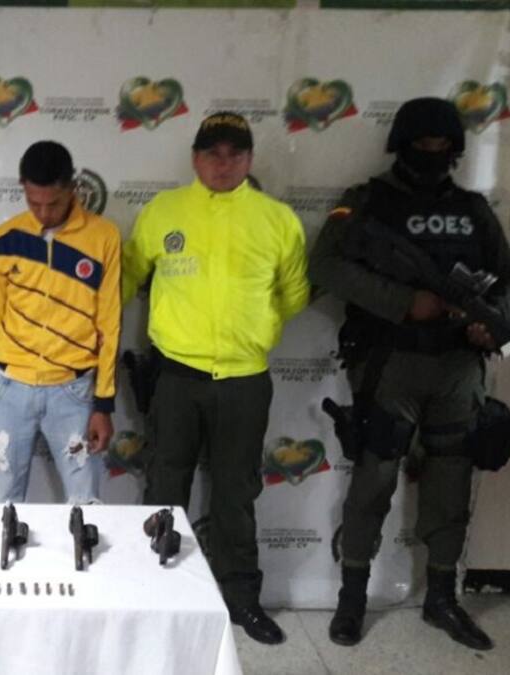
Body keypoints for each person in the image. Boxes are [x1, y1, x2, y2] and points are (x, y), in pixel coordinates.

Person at [309, 97, 510, 651]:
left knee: (451, 482)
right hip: (391, 363)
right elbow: (326, 265)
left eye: (442, 145)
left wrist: (491, 323)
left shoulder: (473, 210)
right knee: (374, 478)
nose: (433, 153)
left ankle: (442, 599)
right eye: (423, 144)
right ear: (401, 146)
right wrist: (404, 301)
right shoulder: (366, 203)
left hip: (458, 366)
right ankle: (352, 599)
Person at [121, 112, 310, 645]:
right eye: (212, 153)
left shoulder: (277, 220)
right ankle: (154, 593)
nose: (223, 164)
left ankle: (242, 600)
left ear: (249, 159)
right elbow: (128, 278)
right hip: (175, 375)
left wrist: (256, 329)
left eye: (234, 154)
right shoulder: (163, 212)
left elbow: (295, 294)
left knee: (236, 493)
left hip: (244, 380)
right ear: (195, 158)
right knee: (165, 484)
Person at [0, 141, 120, 502]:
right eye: (33, 202)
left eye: (53, 203)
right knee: (4, 499)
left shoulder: (104, 238)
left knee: (85, 500)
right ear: (23, 188)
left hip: (73, 390)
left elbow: (110, 324)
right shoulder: (5, 239)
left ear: (72, 189)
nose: (43, 213)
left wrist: (103, 405)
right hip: (10, 388)